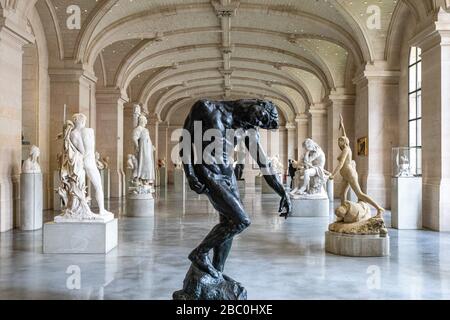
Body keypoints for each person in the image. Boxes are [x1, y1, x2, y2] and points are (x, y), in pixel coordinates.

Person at [181, 99, 292, 278]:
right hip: (208, 173)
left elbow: (265, 165)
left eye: (261, 124)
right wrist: (190, 175)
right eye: (261, 117)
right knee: (241, 221)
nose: (257, 123)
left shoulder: (249, 129)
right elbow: (185, 141)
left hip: (228, 176)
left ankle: (218, 271)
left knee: (228, 223)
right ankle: (200, 253)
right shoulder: (205, 107)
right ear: (259, 104)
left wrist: (283, 192)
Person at [329, 115, 385, 218]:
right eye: (339, 140)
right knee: (342, 194)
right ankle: (344, 214)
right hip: (346, 175)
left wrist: (333, 174)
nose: (339, 142)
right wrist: (342, 125)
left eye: (340, 141)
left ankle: (378, 208)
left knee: (359, 194)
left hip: (349, 174)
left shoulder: (346, 150)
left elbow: (341, 164)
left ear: (344, 142)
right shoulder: (346, 147)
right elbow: (345, 137)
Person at [70, 113, 111, 216]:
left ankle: (80, 208)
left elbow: (80, 150)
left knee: (81, 187)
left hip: (82, 162)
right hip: (89, 161)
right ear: (81, 121)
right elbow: (85, 151)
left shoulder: (73, 133)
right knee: (98, 186)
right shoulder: (87, 131)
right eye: (83, 120)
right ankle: (101, 210)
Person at [132, 115, 155, 184]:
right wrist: (137, 146)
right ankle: (143, 177)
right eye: (144, 121)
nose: (145, 122)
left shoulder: (144, 129)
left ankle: (147, 178)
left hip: (148, 149)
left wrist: (151, 146)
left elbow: (148, 139)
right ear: (142, 121)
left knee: (149, 162)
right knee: (145, 162)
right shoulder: (139, 128)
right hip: (143, 149)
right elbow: (134, 137)